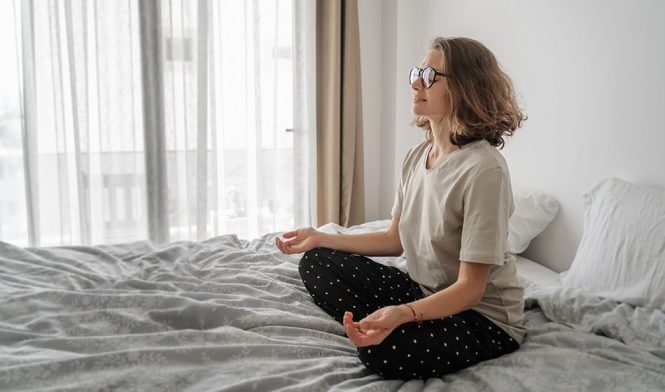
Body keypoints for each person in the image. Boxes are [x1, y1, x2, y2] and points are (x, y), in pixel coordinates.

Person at [275, 36, 527, 380]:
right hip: (423, 291)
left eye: (429, 76)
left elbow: (471, 288)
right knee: (317, 262)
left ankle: (383, 329)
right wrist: (320, 237)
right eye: (417, 72)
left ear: (464, 89)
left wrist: (404, 313)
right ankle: (379, 324)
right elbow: (395, 238)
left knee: (382, 352)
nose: (414, 82)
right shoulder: (416, 157)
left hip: (481, 317)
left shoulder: (485, 170)